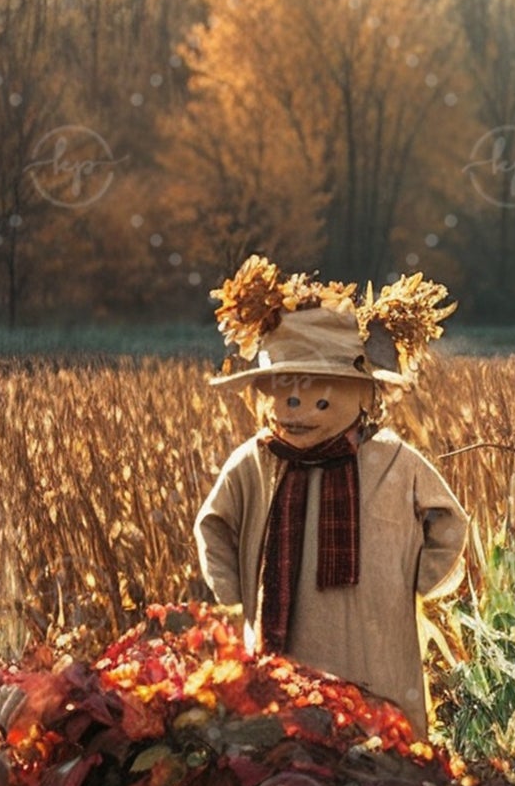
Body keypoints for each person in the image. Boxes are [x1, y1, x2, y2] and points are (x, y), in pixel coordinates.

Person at [195, 264, 467, 736]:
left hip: (378, 639)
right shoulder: (256, 463)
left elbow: (447, 522)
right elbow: (215, 525)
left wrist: (416, 580)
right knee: (289, 737)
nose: (297, 415)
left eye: (320, 403)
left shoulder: (392, 461)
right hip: (284, 638)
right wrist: (234, 594)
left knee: (381, 742)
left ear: (362, 395)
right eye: (288, 401)